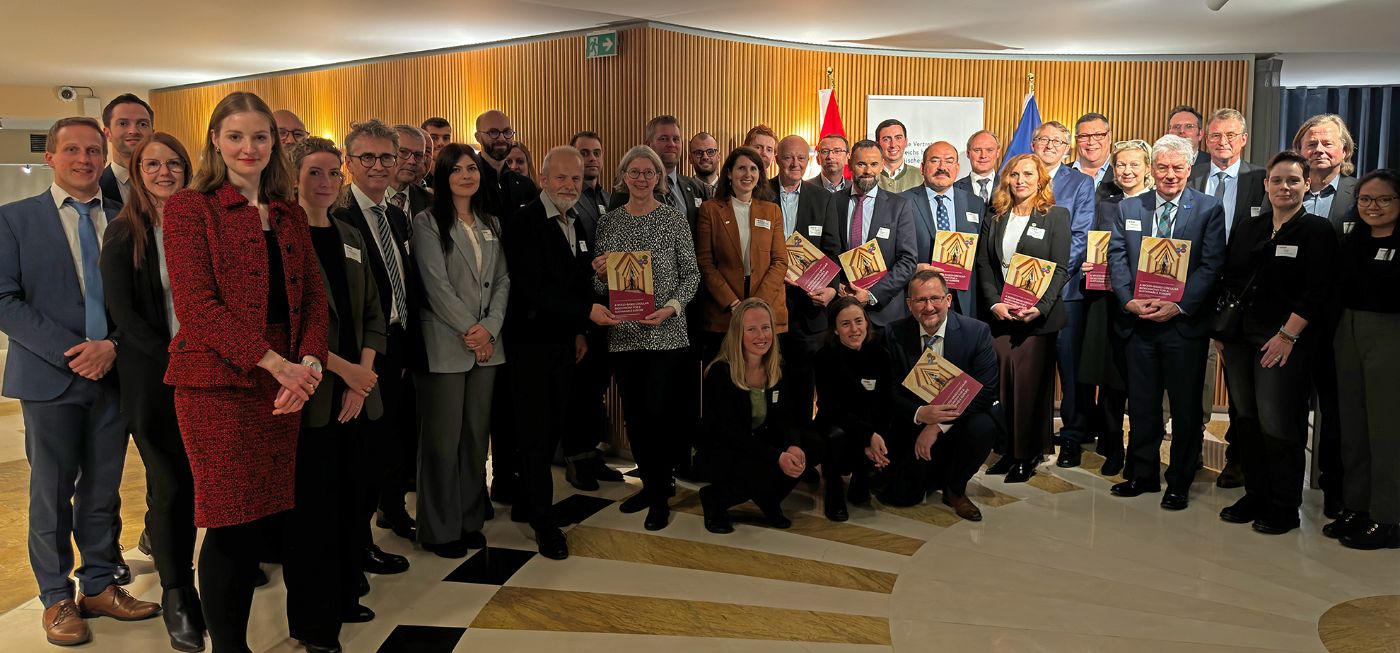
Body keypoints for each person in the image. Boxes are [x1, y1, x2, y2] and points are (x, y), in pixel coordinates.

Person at [162, 91, 329, 652]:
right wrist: (280, 366)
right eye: (235, 136)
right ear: (215, 141)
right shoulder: (191, 208)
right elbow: (198, 307)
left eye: (260, 136)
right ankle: (231, 648)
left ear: (275, 142)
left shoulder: (288, 212)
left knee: (265, 521)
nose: (249, 147)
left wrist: (306, 366)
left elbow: (309, 302)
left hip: (285, 383)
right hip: (218, 386)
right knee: (230, 523)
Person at [1, 116, 161, 647]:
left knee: (102, 490)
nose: (85, 160)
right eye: (72, 150)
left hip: (116, 376)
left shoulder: (127, 218)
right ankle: (56, 597)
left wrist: (113, 346)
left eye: (94, 150)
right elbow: (6, 300)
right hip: (50, 378)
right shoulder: (13, 220)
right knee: (51, 492)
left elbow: (145, 302)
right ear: (50, 157)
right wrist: (74, 355)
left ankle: (98, 583)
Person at [98, 132, 204, 651]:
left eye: (173, 163)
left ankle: (222, 572)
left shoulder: (205, 224)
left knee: (211, 484)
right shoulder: (124, 234)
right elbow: (126, 317)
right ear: (136, 172)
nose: (164, 172)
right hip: (156, 382)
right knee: (173, 489)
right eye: (152, 164)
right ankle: (178, 593)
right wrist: (176, 362)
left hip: (211, 377)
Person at [287, 136, 387, 643]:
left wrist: (363, 378)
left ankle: (348, 592)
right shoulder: (282, 237)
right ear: (293, 177)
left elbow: (373, 309)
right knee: (315, 513)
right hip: (314, 398)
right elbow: (283, 328)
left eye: (332, 174)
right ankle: (313, 620)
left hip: (358, 394)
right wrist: (345, 372)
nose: (325, 183)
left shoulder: (349, 233)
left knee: (355, 500)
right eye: (314, 174)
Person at [503, 145, 620, 559]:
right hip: (530, 346)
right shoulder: (524, 222)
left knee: (551, 427)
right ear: (544, 180)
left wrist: (580, 330)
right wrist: (587, 308)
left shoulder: (578, 222)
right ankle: (544, 522)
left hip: (563, 343)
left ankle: (529, 503)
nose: (570, 185)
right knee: (536, 434)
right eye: (561, 178)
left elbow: (572, 281)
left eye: (575, 178)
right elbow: (533, 288)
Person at [1214, 150, 1336, 535]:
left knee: (1279, 423)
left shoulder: (1316, 230)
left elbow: (1317, 291)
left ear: (1307, 185)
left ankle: (1284, 503)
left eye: (1294, 181)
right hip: (1239, 340)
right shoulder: (1250, 227)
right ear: (1265, 185)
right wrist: (1223, 333)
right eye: (1278, 180)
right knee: (1246, 420)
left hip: (1283, 342)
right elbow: (1230, 278)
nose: (1285, 187)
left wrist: (1287, 336)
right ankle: (1256, 492)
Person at [1105, 134, 1226, 512]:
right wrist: (1128, 300)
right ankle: (1142, 474)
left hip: (1183, 326)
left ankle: (1179, 480)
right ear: (1152, 169)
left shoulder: (1208, 208)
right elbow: (1117, 257)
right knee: (1142, 405)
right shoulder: (1130, 207)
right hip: (1139, 324)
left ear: (1189, 169)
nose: (1170, 174)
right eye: (1162, 167)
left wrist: (1181, 305)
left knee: (1186, 408)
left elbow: (1212, 264)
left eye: (1177, 168)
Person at [591, 145, 700, 531]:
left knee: (659, 414)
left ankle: (659, 495)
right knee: (635, 418)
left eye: (648, 173)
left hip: (665, 334)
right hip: (624, 334)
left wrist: (671, 307)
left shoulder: (673, 220)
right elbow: (596, 281)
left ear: (658, 177)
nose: (640, 179)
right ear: (623, 177)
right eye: (633, 172)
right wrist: (600, 274)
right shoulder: (609, 223)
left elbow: (692, 275)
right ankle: (650, 486)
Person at [411, 143, 510, 558]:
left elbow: (504, 280)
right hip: (446, 344)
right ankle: (439, 529)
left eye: (473, 168)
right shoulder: (427, 221)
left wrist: (488, 329)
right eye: (457, 169)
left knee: (474, 439)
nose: (468, 175)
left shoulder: (491, 222)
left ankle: (470, 519)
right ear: (442, 175)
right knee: (442, 440)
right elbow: (435, 286)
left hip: (487, 345)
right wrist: (472, 329)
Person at [328, 120, 415, 573]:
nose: (378, 166)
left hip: (398, 341)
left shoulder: (396, 214)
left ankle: (391, 513)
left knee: (391, 441)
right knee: (361, 452)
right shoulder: (338, 215)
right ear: (349, 162)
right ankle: (356, 546)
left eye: (386, 157)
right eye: (368, 157)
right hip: (359, 351)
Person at [975, 154, 1071, 482]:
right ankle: (1006, 448)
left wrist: (1040, 307)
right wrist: (993, 303)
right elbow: (985, 264)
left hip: (1038, 319)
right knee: (1003, 385)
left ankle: (1027, 454)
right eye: (1014, 174)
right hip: (1002, 315)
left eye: (1028, 174)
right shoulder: (997, 215)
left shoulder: (1056, 216)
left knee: (1030, 389)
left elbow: (1060, 268)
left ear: (1041, 178)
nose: (1020, 180)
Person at [880, 270, 1000, 520]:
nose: (929, 307)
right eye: (920, 300)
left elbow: (986, 390)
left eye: (935, 298)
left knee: (985, 425)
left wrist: (936, 425)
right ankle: (931, 473)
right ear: (909, 304)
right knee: (901, 497)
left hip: (959, 424)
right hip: (913, 424)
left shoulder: (976, 332)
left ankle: (955, 489)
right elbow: (887, 389)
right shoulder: (893, 333)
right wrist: (920, 413)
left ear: (948, 300)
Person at [1191, 108, 1267, 488]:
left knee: (1239, 384)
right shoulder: (1193, 175)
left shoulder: (1261, 179)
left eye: (1230, 135)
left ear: (1243, 138)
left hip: (1241, 297)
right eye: (1216, 136)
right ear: (1206, 140)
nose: (1223, 143)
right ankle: (1188, 451)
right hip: (1192, 291)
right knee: (1189, 374)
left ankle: (1237, 459)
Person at [1329, 168, 1400, 550]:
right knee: (1353, 423)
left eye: (1384, 199)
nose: (1374, 207)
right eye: (1366, 200)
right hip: (1348, 331)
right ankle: (1358, 505)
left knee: (1386, 430)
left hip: (1390, 335)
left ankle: (1389, 516)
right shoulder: (1353, 239)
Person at [1291, 113, 1357, 518]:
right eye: (1311, 143)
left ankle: (1336, 491)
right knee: (1287, 409)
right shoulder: (1284, 189)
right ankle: (1284, 488)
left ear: (1345, 151)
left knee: (1335, 413)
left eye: (1327, 143)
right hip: (1288, 323)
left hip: (1337, 325)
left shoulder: (1359, 193)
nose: (1319, 150)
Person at [697, 298, 806, 533]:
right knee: (763, 468)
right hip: (725, 449)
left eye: (766, 327)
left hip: (760, 441)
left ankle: (768, 499)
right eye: (752, 329)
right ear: (738, 333)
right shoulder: (721, 372)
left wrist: (794, 445)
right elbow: (730, 433)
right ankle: (714, 500)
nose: (761, 335)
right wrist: (777, 456)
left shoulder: (777, 367)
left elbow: (787, 416)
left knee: (812, 447)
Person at [1079, 139, 1153, 476]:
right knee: (1109, 379)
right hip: (1106, 301)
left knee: (1139, 381)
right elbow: (1090, 241)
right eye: (1121, 165)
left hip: (1146, 303)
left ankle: (1140, 449)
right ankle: (1111, 446)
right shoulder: (1103, 202)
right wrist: (1087, 264)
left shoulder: (1157, 204)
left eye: (1134, 165)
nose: (1126, 171)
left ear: (1147, 168)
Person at [1029, 121, 1096, 465]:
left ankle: (1072, 436)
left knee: (1070, 370)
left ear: (1067, 149)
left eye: (1058, 141)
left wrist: (1048, 279)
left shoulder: (1081, 183)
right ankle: (1035, 437)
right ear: (1033, 143)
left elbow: (1081, 236)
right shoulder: (1020, 175)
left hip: (1066, 292)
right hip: (1023, 294)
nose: (1050, 145)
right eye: (1044, 140)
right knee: (1033, 369)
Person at [563, 130, 625, 491]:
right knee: (579, 392)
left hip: (610, 312)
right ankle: (575, 459)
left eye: (596, 152)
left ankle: (590, 452)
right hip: (582, 313)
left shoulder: (608, 199)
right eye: (583, 153)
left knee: (595, 390)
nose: (591, 159)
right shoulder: (569, 201)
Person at [770, 134, 839, 435]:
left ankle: (801, 449)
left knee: (802, 384)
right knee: (768, 382)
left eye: (801, 157)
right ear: (777, 159)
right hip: (768, 303)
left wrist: (831, 287)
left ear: (809, 159)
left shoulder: (822, 198)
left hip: (809, 308)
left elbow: (832, 249)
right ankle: (770, 450)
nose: (795, 163)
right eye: (788, 157)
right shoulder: (760, 193)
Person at [695, 147, 788, 358]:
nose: (748, 175)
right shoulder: (710, 210)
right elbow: (705, 262)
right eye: (741, 168)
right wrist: (733, 302)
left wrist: (757, 304)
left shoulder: (772, 211)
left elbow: (780, 261)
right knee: (724, 378)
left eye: (754, 169)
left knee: (762, 377)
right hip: (725, 309)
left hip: (766, 304)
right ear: (729, 173)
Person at [813, 297, 893, 521]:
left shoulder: (881, 355)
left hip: (871, 428)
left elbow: (886, 403)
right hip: (837, 425)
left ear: (867, 323)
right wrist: (867, 437)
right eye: (845, 324)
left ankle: (861, 480)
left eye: (858, 321)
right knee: (835, 436)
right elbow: (832, 408)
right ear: (836, 330)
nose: (854, 329)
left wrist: (879, 437)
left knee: (883, 478)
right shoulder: (825, 358)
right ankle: (834, 490)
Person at [828, 139, 918, 327]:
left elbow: (908, 261)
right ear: (850, 164)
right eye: (861, 164)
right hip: (841, 309)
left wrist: (871, 295)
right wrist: (837, 285)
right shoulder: (833, 202)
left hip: (885, 314)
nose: (868, 170)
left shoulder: (899, 206)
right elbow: (827, 250)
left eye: (874, 164)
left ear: (882, 165)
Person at [902, 140, 986, 318]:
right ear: (922, 167)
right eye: (935, 161)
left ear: (957, 167)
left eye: (949, 161)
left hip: (963, 300)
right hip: (920, 300)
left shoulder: (975, 203)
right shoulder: (902, 202)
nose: (942, 167)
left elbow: (982, 256)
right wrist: (913, 269)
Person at [99, 94, 155, 211]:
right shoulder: (94, 187)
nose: (133, 131)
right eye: (123, 123)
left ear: (152, 133)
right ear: (107, 133)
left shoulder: (171, 183)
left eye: (142, 124)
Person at [388, 124, 433, 220]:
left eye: (418, 155)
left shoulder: (431, 202)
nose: (412, 161)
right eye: (403, 152)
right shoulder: (367, 195)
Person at [955, 130, 1000, 204]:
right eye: (977, 150)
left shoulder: (1009, 187)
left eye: (989, 150)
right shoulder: (955, 189)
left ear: (997, 153)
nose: (983, 156)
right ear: (968, 154)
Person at [874, 119, 920, 193]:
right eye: (886, 139)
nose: (893, 145)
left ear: (906, 142)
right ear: (877, 144)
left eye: (898, 138)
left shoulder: (921, 176)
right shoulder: (870, 176)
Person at [1071, 113, 1113, 189]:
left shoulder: (1125, 174)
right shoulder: (1058, 175)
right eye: (1084, 136)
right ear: (1076, 140)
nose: (1091, 142)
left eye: (1098, 135)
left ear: (1109, 137)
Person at [1165, 104, 1208, 178]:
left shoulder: (1211, 163)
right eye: (1176, 127)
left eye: (1189, 126)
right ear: (1168, 133)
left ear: (1200, 134)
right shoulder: (1158, 162)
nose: (1182, 131)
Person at [689, 131, 721, 196]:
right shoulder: (684, 191)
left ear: (718, 156)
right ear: (690, 159)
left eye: (710, 152)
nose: (705, 157)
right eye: (698, 152)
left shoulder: (731, 189)